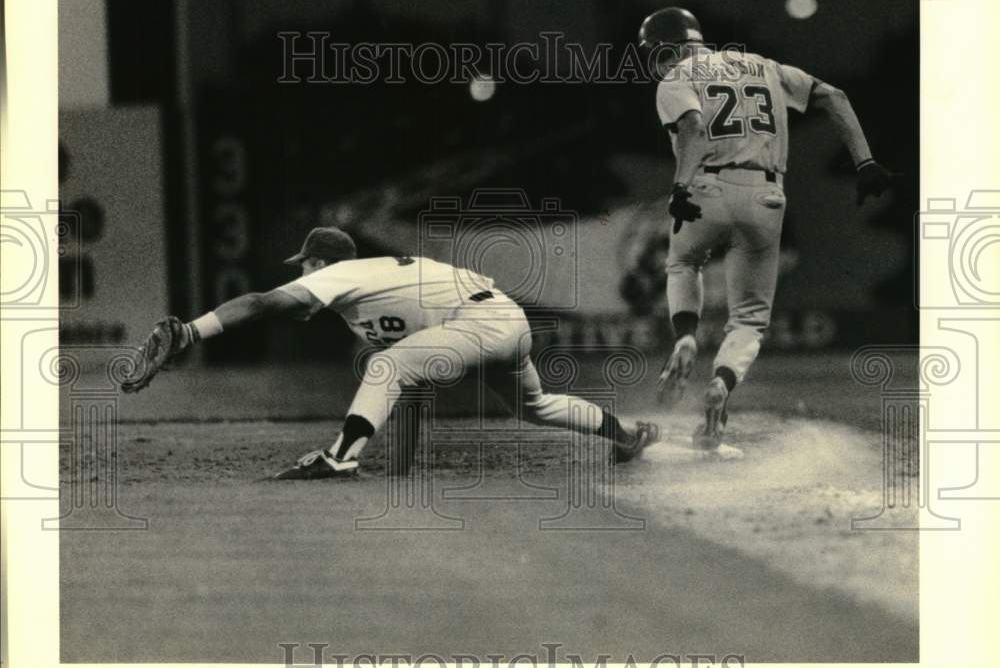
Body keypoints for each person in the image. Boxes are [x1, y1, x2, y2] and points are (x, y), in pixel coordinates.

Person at [121, 226, 659, 478]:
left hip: (480, 319)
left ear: (319, 263)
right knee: (532, 406)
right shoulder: (372, 291)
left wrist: (192, 333)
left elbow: (263, 302)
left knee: (387, 363)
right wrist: (400, 468)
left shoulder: (342, 273)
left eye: (304, 265)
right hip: (504, 321)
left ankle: (338, 459)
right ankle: (626, 434)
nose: (302, 276)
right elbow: (412, 387)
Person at [636, 7, 893, 449]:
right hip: (766, 196)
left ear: (669, 46)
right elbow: (834, 97)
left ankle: (684, 340)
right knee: (750, 318)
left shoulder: (675, 77)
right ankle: (721, 383)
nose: (654, 60)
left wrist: (680, 185)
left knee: (682, 264)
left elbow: (695, 126)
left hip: (706, 188)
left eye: (654, 51)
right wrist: (864, 161)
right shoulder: (765, 67)